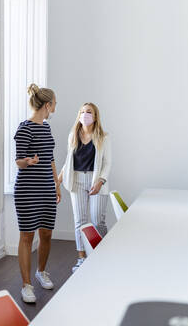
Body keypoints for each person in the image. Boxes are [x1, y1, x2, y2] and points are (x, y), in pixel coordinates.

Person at [14, 83, 61, 303]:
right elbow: (18, 162)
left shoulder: (46, 128)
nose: (55, 108)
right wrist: (28, 161)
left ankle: (41, 272)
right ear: (47, 104)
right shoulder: (24, 128)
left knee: (46, 233)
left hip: (45, 189)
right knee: (27, 236)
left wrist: (56, 184)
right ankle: (26, 285)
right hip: (27, 190)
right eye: (54, 104)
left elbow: (50, 157)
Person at [58, 102, 111, 272]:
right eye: (82, 112)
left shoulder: (104, 137)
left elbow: (107, 163)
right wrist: (58, 180)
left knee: (97, 221)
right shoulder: (73, 135)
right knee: (80, 221)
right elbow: (68, 161)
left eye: (89, 112)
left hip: (96, 181)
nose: (85, 115)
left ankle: (101, 255)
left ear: (95, 116)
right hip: (77, 181)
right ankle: (81, 258)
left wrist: (100, 181)